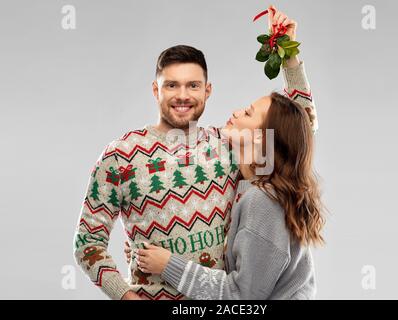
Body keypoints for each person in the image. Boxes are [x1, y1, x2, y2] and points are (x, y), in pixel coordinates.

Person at [74, 5, 317, 300]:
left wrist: (288, 54)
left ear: (207, 91)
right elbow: (88, 242)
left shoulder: (229, 146)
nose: (183, 95)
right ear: (156, 90)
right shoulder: (120, 156)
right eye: (172, 85)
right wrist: (125, 296)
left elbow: (296, 127)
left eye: (193, 85)